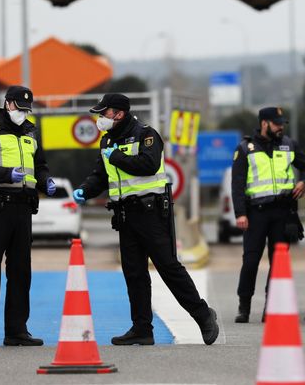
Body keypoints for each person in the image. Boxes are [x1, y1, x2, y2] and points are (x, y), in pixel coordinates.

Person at [73, 93, 219, 346]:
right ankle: (142, 328)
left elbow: (148, 165)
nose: (100, 118)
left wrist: (116, 157)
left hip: (150, 212)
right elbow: (101, 174)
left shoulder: (146, 134)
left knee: (168, 268)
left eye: (103, 113)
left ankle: (203, 316)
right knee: (134, 273)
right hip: (124, 214)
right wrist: (85, 190)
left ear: (118, 113)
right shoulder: (107, 140)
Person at [0, 85, 55, 348]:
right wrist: (6, 175)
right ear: (8, 104)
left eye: (28, 109)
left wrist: (45, 180)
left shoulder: (31, 132)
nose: (24, 113)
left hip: (22, 209)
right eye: (20, 108)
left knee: (20, 272)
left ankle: (16, 331)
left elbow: (40, 165)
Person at [231, 107, 305, 323]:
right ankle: (244, 307)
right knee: (250, 261)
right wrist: (240, 214)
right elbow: (237, 185)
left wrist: (304, 181)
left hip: (282, 212)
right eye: (277, 123)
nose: (281, 127)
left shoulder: (289, 145)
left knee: (278, 262)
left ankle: (270, 307)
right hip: (255, 213)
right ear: (264, 123)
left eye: (282, 123)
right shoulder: (245, 148)